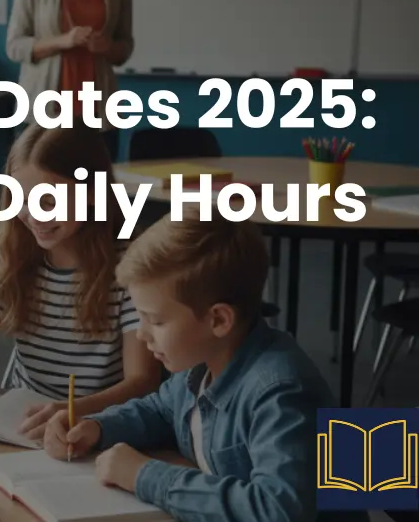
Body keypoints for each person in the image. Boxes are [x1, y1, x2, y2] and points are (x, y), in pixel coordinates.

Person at [43, 211, 355, 522]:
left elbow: (278, 511)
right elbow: (160, 411)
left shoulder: (280, 391)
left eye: (157, 320)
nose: (141, 333)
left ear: (218, 320)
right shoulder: (202, 363)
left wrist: (143, 475)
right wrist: (97, 428)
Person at [0, 126, 160, 442]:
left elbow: (142, 381)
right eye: (22, 200)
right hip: (20, 420)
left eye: (49, 201)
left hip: (98, 425)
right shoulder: (10, 249)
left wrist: (75, 410)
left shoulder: (131, 262)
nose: (34, 217)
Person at [5, 0, 134, 159]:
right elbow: (14, 46)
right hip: (43, 115)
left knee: (95, 196)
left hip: (98, 115)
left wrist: (108, 47)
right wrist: (61, 41)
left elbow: (124, 48)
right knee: (40, 196)